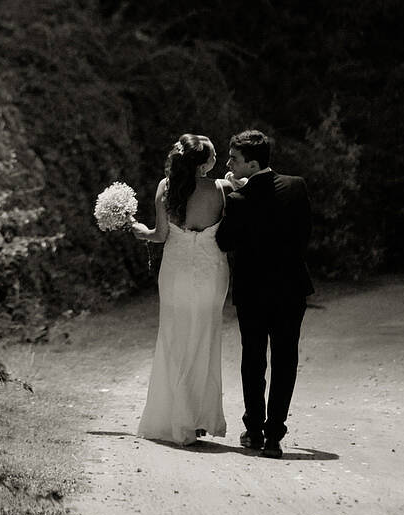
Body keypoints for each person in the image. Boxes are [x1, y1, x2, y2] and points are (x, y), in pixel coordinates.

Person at [216, 128, 314, 458]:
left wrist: (239, 194)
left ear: (253, 165)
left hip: (253, 291)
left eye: (234, 158)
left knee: (253, 360)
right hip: (290, 288)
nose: (228, 162)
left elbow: (224, 242)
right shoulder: (297, 186)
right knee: (286, 360)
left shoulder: (238, 199)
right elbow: (305, 234)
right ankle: (274, 435)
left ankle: (254, 429)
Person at [131, 134, 233, 446]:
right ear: (204, 163)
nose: (217, 160)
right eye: (214, 155)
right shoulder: (223, 189)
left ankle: (175, 416)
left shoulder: (166, 187)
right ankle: (196, 417)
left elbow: (160, 235)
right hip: (210, 272)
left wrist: (140, 231)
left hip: (175, 273)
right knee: (204, 338)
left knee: (174, 337)